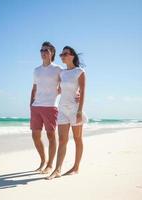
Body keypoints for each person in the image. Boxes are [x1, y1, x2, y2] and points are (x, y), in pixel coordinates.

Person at [47, 46, 87, 180]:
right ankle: (57, 169)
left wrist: (80, 110)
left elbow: (83, 92)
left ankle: (76, 167)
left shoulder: (79, 71)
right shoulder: (62, 73)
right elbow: (59, 90)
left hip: (75, 110)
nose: (62, 56)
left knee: (77, 139)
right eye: (61, 54)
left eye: (65, 54)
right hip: (62, 109)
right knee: (63, 140)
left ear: (72, 56)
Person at [30, 41, 62, 174]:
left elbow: (66, 85)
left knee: (50, 136)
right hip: (36, 106)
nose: (43, 53)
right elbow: (34, 88)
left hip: (50, 106)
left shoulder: (58, 69)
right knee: (35, 135)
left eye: (46, 51)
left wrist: (57, 94)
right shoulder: (36, 70)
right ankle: (43, 160)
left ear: (52, 53)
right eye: (41, 50)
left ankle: (50, 164)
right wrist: (31, 105)